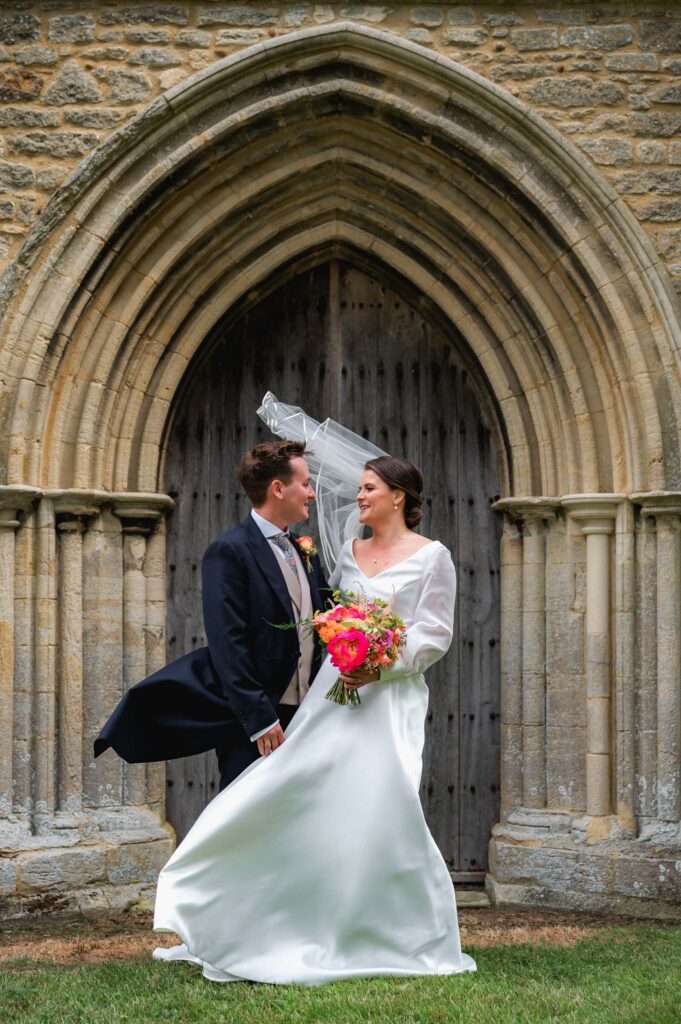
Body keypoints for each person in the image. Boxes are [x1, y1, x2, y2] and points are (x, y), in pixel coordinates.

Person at [152, 444, 477, 984]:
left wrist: (382, 663)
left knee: (383, 803)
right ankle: (234, 910)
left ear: (399, 496)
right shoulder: (344, 552)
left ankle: (390, 929)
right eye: (360, 487)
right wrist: (348, 656)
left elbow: (434, 635)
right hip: (333, 696)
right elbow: (324, 621)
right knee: (302, 798)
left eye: (369, 488)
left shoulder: (432, 556)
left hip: (388, 698)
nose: (356, 495)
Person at [94, 440, 330, 791]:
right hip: (258, 722)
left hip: (307, 714)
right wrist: (259, 719)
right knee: (243, 821)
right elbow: (227, 641)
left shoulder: (301, 549)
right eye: (306, 483)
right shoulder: (230, 550)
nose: (311, 493)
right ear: (278, 489)